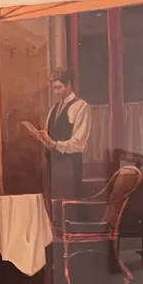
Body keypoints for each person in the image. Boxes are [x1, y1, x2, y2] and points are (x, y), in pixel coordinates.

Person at [34, 68, 92, 200]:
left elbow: (79, 143)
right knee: (54, 203)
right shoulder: (53, 109)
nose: (56, 92)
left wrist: (53, 143)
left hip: (69, 166)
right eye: (54, 88)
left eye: (59, 87)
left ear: (69, 84)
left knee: (69, 203)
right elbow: (49, 137)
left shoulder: (81, 107)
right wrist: (42, 138)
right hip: (53, 166)